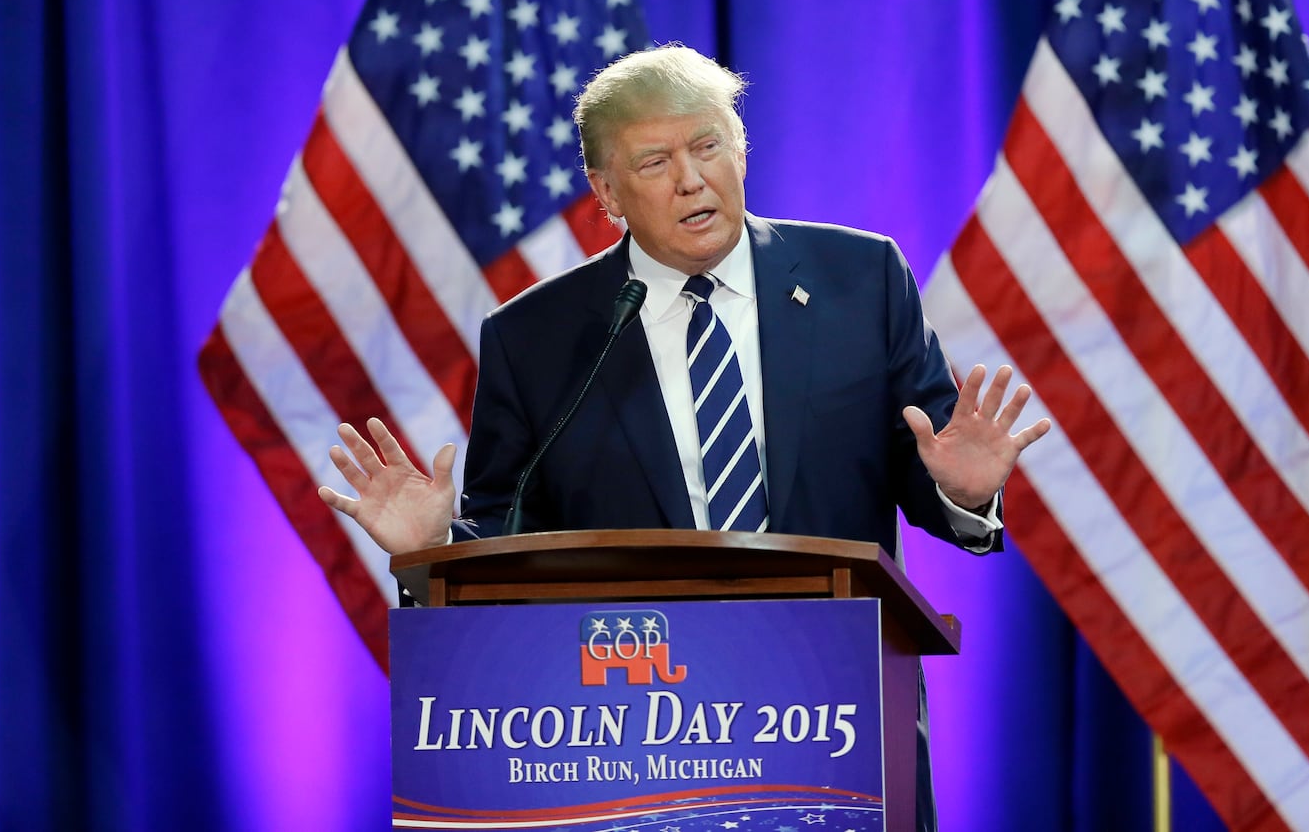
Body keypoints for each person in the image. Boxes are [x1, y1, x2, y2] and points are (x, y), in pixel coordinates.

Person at [319, 44, 1050, 829]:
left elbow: (926, 469)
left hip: (837, 722)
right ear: (606, 192)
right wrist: (438, 547)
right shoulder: (537, 337)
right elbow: (509, 531)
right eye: (656, 161)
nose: (692, 178)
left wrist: (962, 493)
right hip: (637, 748)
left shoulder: (861, 278)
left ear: (740, 149)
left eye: (708, 145)